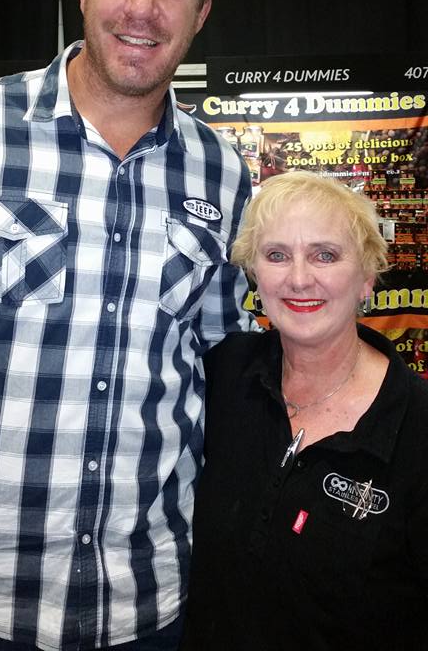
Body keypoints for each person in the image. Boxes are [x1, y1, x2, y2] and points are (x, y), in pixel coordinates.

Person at [0, 0, 253, 651]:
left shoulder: (223, 174)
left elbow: (225, 366)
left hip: (149, 602)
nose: (143, 7)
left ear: (202, 11)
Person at [181, 170, 428, 651]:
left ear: (367, 277)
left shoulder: (415, 425)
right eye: (277, 255)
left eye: (325, 255)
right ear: (255, 274)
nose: (298, 278)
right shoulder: (223, 375)